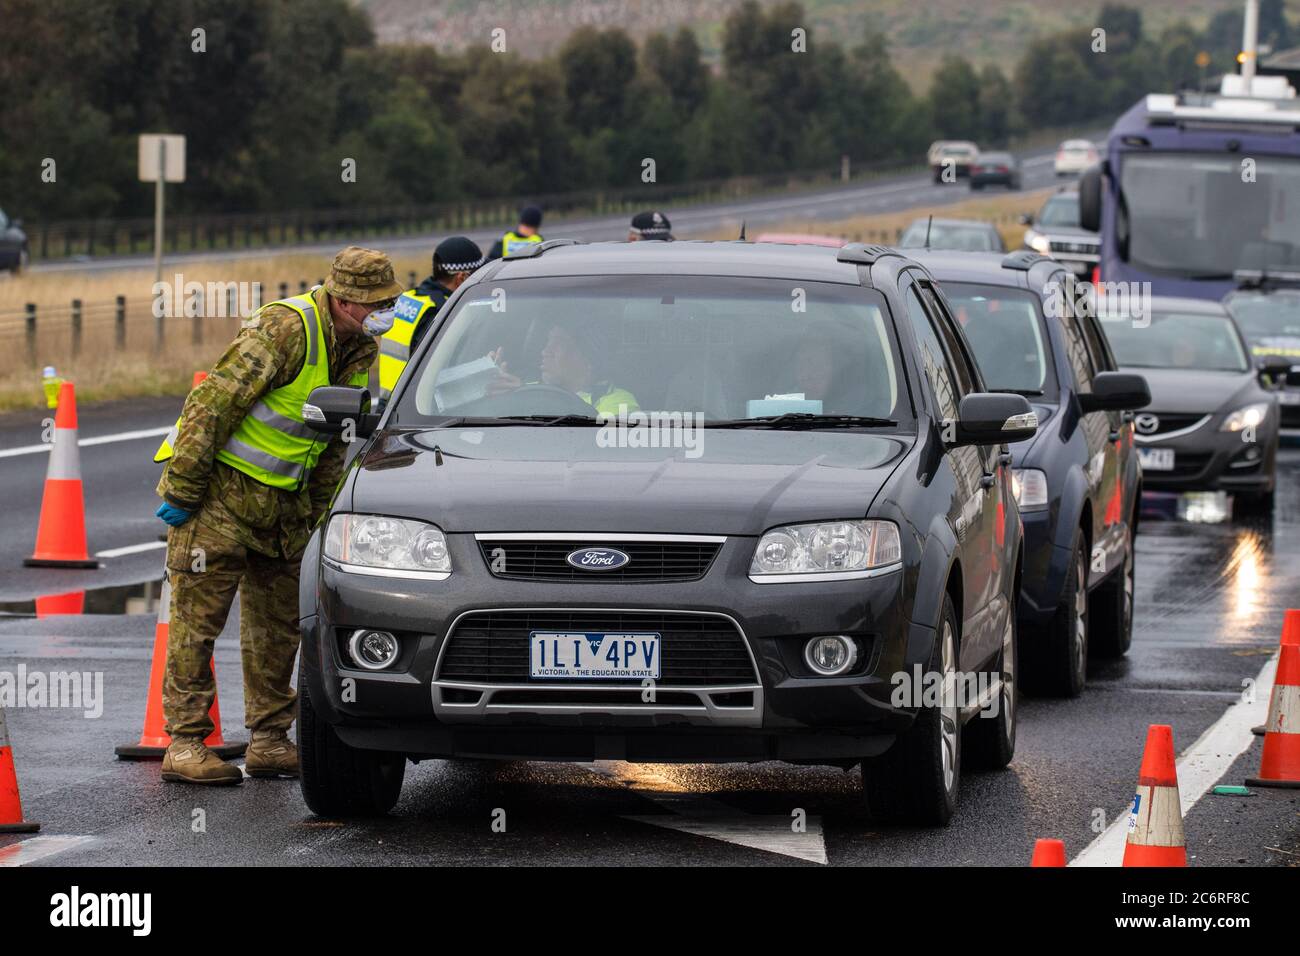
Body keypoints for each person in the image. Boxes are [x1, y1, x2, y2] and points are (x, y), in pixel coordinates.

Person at [153, 246, 403, 786]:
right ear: (343, 299)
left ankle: (269, 739)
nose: (381, 312)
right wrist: (185, 489)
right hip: (221, 495)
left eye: (387, 302)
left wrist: (319, 517)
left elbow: (333, 441)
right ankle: (185, 742)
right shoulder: (284, 329)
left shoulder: (361, 348)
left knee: (278, 627)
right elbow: (211, 405)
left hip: (284, 507)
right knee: (199, 623)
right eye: (372, 303)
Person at [378, 236, 485, 405]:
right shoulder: (442, 312)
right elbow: (439, 374)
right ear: (461, 278)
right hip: (415, 409)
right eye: (478, 275)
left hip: (389, 402)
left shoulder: (408, 298)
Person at [490, 322, 638, 416]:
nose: (545, 351)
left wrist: (529, 402)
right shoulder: (527, 390)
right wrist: (489, 386)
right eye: (548, 342)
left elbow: (589, 443)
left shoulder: (619, 401)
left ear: (588, 357)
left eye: (558, 343)